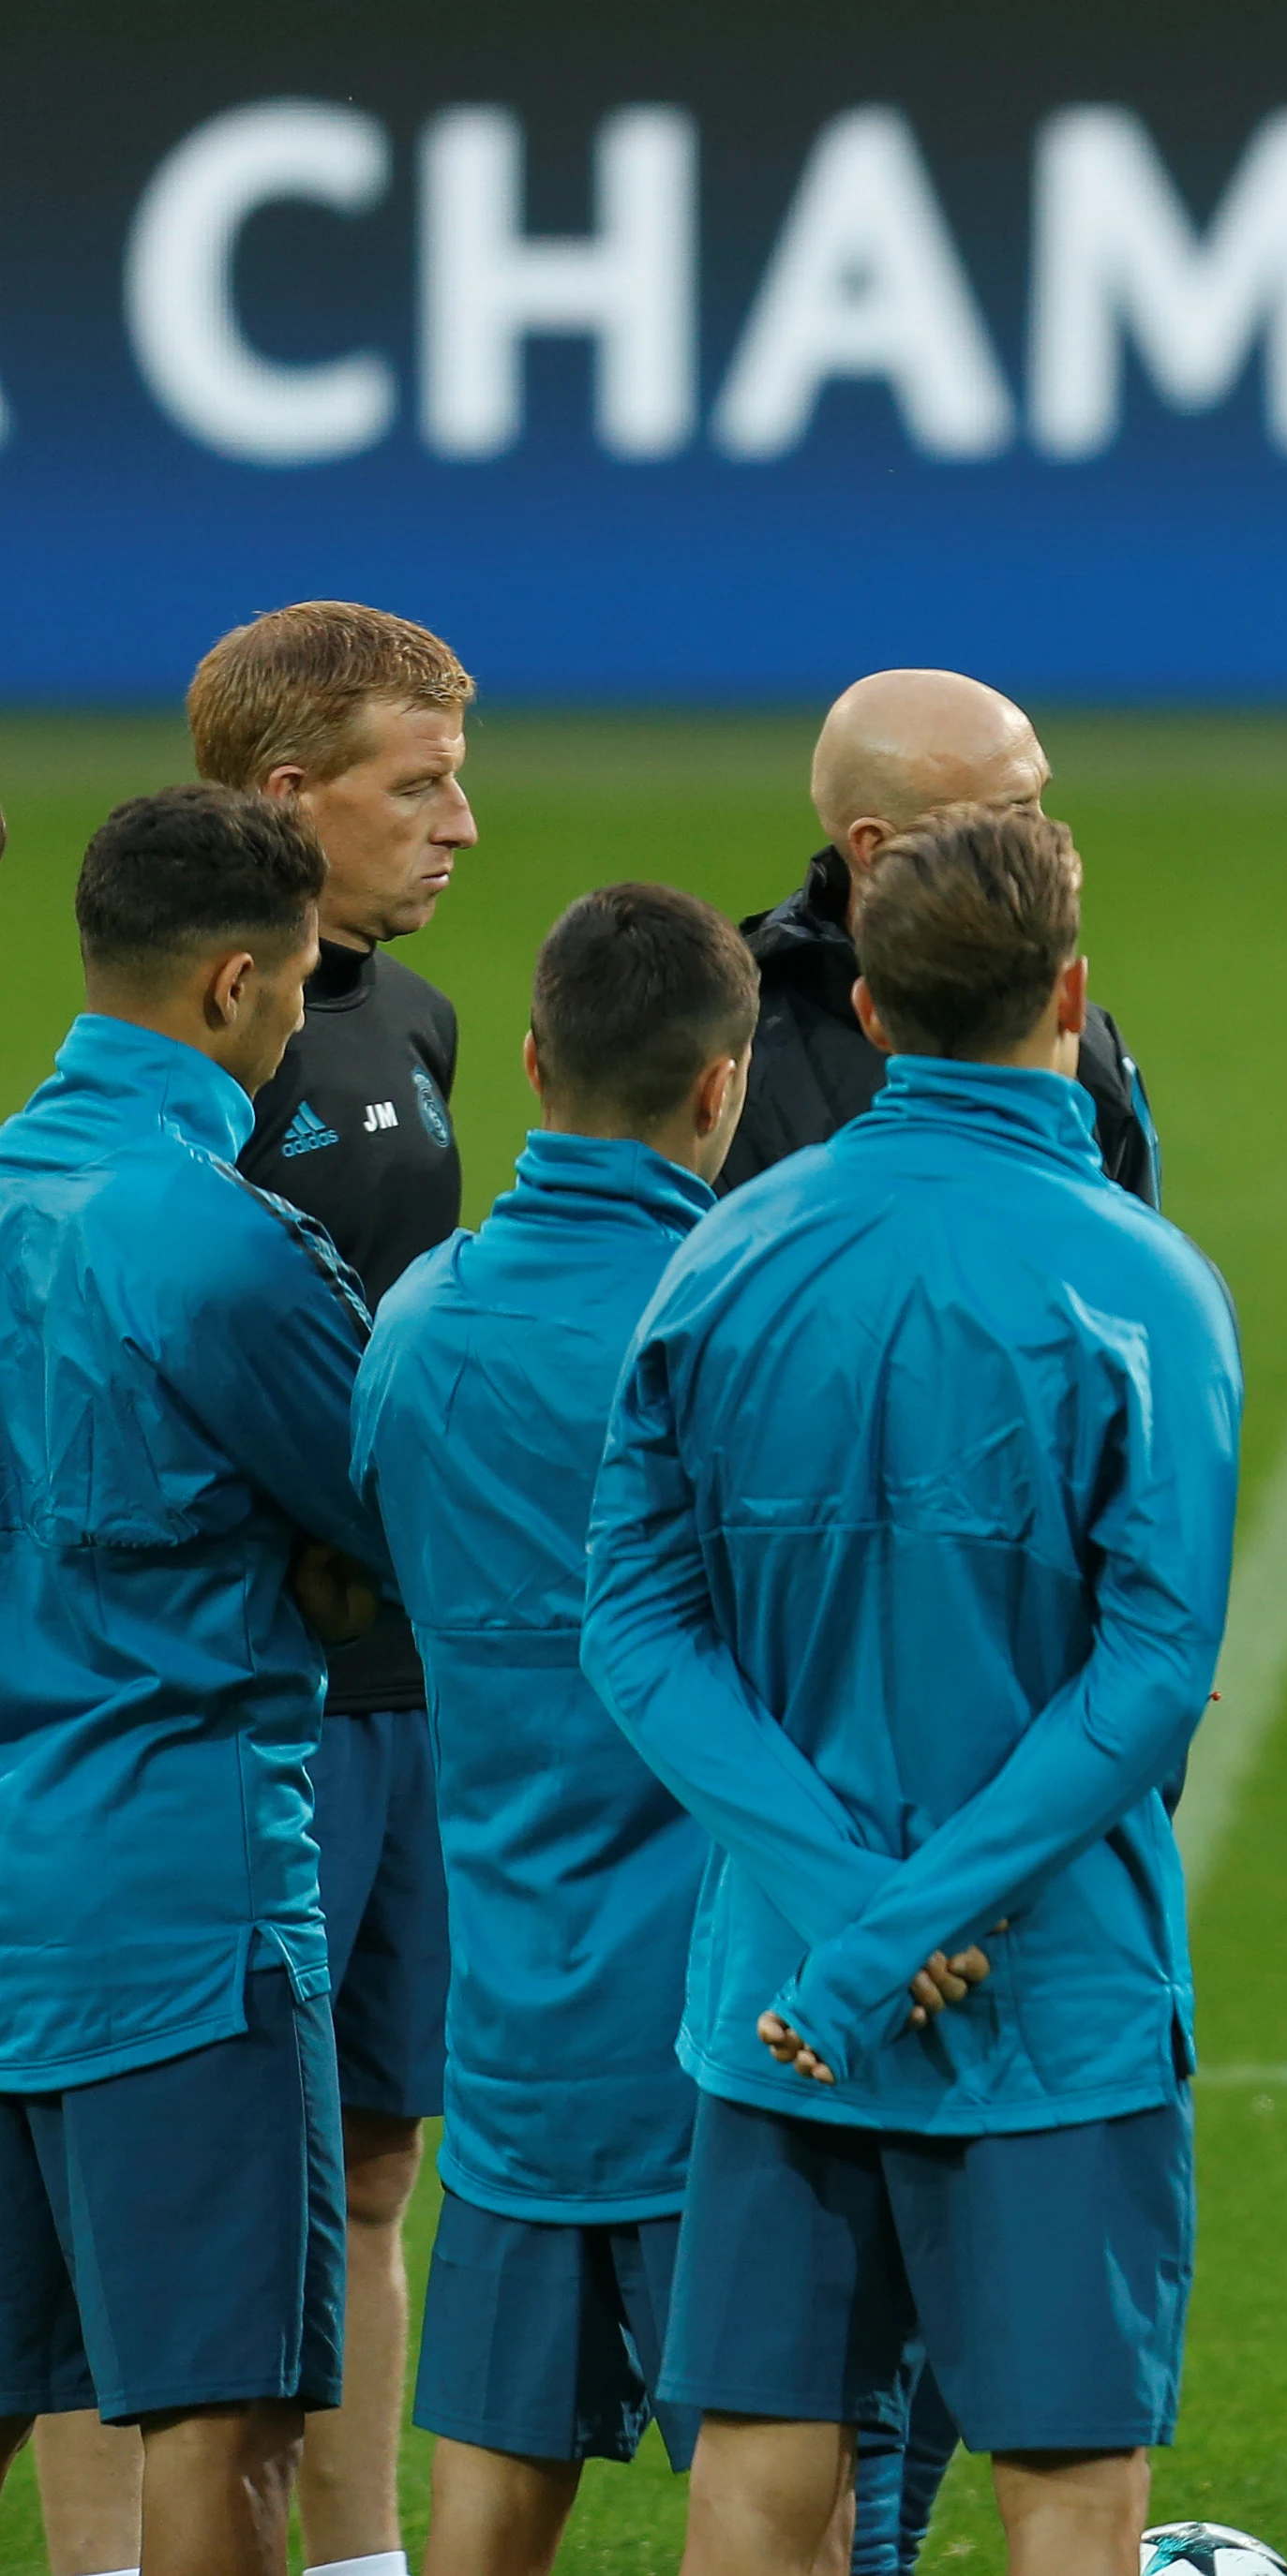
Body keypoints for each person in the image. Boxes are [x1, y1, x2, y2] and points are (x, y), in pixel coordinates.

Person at [583, 805, 1239, 2576]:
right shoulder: (1144, 1284)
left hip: (778, 1990)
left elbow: (634, 1632)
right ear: (1071, 996)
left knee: (766, 2454)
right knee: (1069, 2481)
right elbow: (1156, 1668)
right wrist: (912, 1925)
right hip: (1051, 1999)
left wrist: (842, 1911)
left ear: (864, 1009)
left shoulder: (717, 1256)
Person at [353, 886, 759, 2576]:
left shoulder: (417, 1319)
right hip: (726, 2034)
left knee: (493, 2497)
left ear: (530, 1059)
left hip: (514, 2021)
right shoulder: (740, 1314)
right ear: (723, 1086)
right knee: (777, 2494)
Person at [140, 603, 481, 2576]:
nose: (460, 825)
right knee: (193, 2205)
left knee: (372, 2170)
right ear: (289, 797)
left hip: (402, 1691)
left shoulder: (411, 1025)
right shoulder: (211, 1057)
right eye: (417, 785)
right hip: (251, 1706)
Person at [0, 786, 376, 2576]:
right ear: (237, 983)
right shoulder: (219, 1243)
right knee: (222, 2420)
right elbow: (395, 1527)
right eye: (301, 983)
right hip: (178, 1916)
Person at [726, 668, 1159, 1202]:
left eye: (1041, 801)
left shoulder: (1085, 1045)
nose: (1052, 840)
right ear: (877, 848)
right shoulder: (732, 1051)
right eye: (1010, 816)